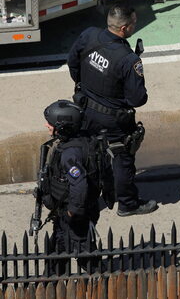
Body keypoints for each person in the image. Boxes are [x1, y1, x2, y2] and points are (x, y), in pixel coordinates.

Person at [67, 5, 156, 217]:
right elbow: (137, 98)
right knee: (122, 156)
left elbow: (72, 62)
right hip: (113, 118)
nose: (135, 25)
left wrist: (85, 86)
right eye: (134, 23)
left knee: (88, 153)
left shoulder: (89, 35)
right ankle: (128, 204)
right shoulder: (128, 59)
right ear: (124, 28)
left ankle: (86, 196)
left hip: (85, 107)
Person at [40, 100, 108, 274]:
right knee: (59, 250)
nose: (47, 126)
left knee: (83, 253)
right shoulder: (83, 139)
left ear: (63, 128)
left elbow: (79, 184)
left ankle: (105, 282)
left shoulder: (70, 154)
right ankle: (53, 281)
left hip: (73, 215)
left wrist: (73, 211)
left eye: (51, 124)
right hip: (71, 212)